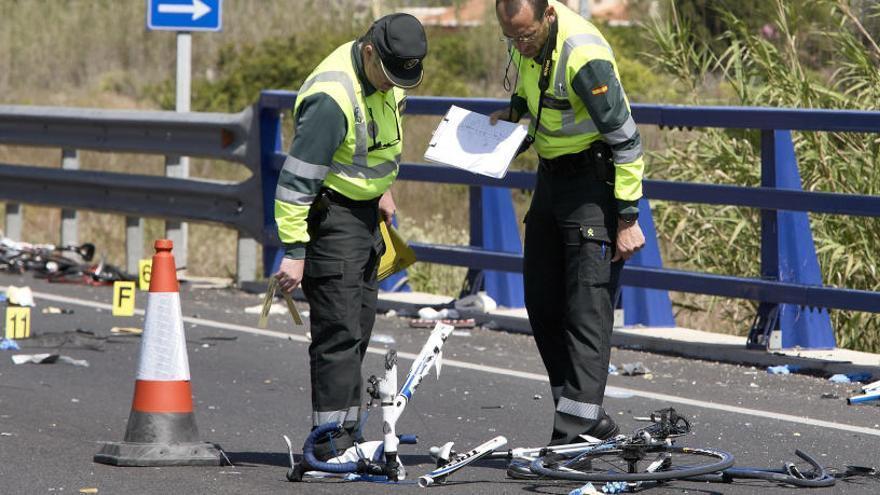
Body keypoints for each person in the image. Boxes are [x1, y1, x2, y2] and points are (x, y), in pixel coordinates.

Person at [490, 0, 646, 469]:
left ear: (549, 16)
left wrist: (627, 217)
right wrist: (513, 112)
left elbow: (627, 140)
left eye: (526, 36)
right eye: (510, 37)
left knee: (586, 311)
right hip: (551, 179)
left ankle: (573, 440)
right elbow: (533, 91)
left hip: (593, 187)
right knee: (541, 301)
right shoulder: (523, 36)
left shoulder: (583, 54)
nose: (519, 44)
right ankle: (587, 419)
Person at [273, 13, 427, 462]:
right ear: (368, 52)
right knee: (337, 333)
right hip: (332, 216)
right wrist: (295, 253)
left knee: (358, 327)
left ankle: (344, 433)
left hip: (366, 216)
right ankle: (328, 444)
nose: (392, 85)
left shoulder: (392, 75)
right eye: (388, 75)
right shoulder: (332, 97)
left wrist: (383, 190)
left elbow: (379, 142)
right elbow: (296, 183)